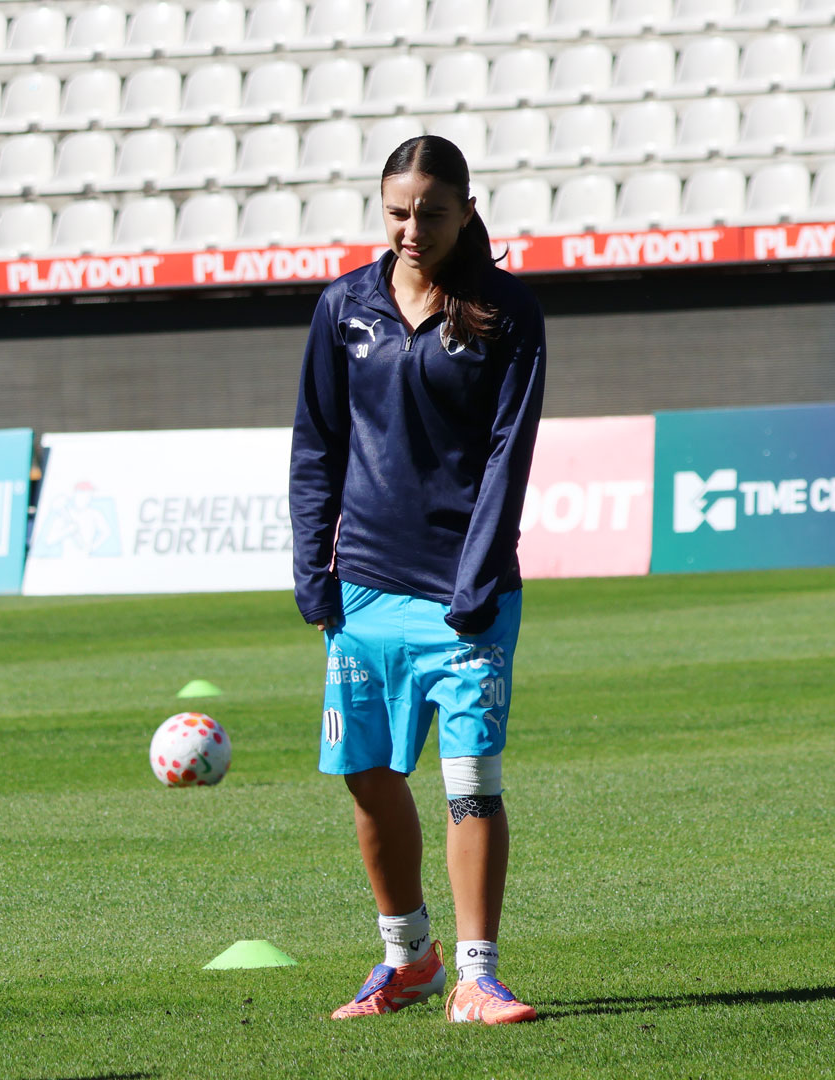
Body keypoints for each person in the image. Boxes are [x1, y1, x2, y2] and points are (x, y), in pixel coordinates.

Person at [289, 135, 546, 1025]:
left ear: (468, 211)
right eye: (397, 212)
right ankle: (408, 959)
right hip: (363, 586)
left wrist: (477, 580)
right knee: (364, 772)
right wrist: (312, 568)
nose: (411, 229)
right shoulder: (343, 307)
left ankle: (478, 974)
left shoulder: (506, 311)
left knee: (471, 781)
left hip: (467, 592)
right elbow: (316, 444)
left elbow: (510, 456)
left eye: (431, 214)